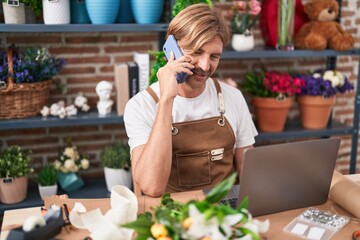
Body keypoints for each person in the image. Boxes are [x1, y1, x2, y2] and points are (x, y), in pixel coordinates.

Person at [124, 3, 258, 197]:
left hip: (224, 212)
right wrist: (167, 100)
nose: (205, 66)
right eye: (196, 52)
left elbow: (247, 166)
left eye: (214, 56)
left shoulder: (232, 97)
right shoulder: (140, 106)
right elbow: (151, 187)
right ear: (172, 49)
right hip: (170, 214)